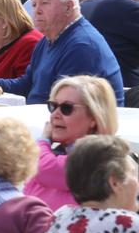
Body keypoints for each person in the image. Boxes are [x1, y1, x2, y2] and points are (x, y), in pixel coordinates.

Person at [0, 0, 123, 104]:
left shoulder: (82, 46)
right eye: (34, 4)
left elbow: (66, 107)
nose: (37, 11)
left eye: (45, 3)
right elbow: (26, 84)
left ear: (68, 7)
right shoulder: (47, 40)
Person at [24, 73, 121, 210]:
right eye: (53, 106)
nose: (55, 115)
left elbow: (45, 169)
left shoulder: (99, 158)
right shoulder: (55, 154)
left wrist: (43, 140)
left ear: (94, 117)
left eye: (66, 108)